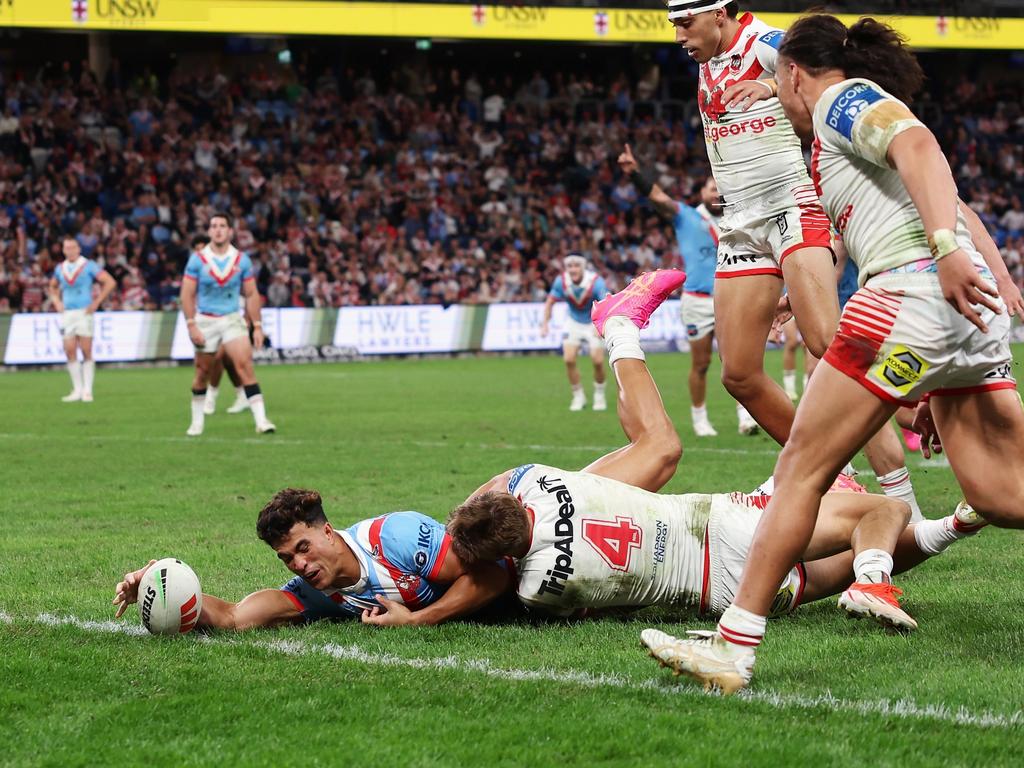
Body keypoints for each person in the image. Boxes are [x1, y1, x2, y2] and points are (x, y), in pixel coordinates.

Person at [650, 14, 1024, 694]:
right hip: (965, 321)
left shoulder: (835, 99)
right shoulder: (831, 138)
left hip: (912, 296)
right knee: (1001, 494)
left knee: (801, 470)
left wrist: (942, 252)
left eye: (777, 80)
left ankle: (734, 647)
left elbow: (920, 147)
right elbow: (923, 199)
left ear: (792, 72)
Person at [445, 272, 981, 668]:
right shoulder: (536, 484)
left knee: (845, 546)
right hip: (727, 527)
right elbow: (500, 491)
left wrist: (429, 607)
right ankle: (876, 577)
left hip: (721, 591)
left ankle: (953, 527)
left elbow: (519, 591)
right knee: (872, 508)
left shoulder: (536, 590)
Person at [664, 0, 840, 445]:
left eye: (686, 23)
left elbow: (837, 68)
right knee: (739, 373)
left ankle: (910, 447)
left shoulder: (763, 41)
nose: (679, 36)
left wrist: (773, 85)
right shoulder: (710, 57)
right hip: (739, 221)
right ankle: (829, 473)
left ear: (719, 14)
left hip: (789, 207)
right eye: (674, 26)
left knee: (828, 347)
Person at [113, 488, 511, 630]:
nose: (298, 565)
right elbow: (232, 617)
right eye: (287, 559)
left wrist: (418, 619)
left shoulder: (395, 538)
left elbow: (495, 574)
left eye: (302, 549)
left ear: (326, 530)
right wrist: (157, 583)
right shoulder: (312, 593)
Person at [617, 145, 757, 436]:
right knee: (702, 363)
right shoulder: (687, 217)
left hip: (730, 298)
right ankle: (699, 418)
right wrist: (635, 174)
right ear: (701, 192)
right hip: (696, 300)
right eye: (711, 188)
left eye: (721, 188)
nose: (717, 193)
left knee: (737, 361)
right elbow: (658, 197)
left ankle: (746, 416)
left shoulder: (740, 219)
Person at [180, 213, 274, 436]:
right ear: (209, 231)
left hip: (232, 319)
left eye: (222, 225)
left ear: (230, 231)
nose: (218, 230)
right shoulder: (197, 260)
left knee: (245, 366)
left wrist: (257, 326)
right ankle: (197, 422)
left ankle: (262, 421)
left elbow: (251, 294)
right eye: (214, 226)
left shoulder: (242, 260)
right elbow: (186, 294)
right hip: (206, 320)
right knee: (202, 371)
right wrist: (191, 324)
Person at [47, 236, 116, 402]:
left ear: (78, 249)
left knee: (86, 350)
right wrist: (56, 301)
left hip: (84, 312)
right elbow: (52, 286)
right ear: (63, 250)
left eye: (72, 247)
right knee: (69, 350)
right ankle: (77, 389)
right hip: (68, 314)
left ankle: (87, 390)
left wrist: (97, 302)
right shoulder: (60, 268)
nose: (70, 251)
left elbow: (109, 282)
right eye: (67, 248)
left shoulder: (88, 265)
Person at [540, 254, 609, 411]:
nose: (573, 269)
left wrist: (602, 325)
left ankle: (599, 395)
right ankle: (578, 397)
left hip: (593, 321)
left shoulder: (595, 282)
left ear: (583, 267)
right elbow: (550, 302)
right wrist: (544, 324)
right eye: (570, 266)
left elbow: (606, 303)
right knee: (569, 359)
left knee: (597, 361)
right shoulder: (561, 281)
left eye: (576, 266)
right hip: (573, 322)